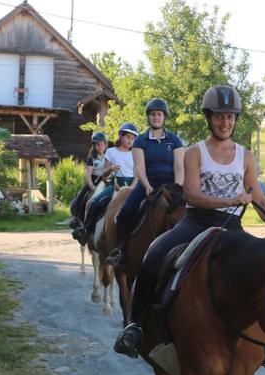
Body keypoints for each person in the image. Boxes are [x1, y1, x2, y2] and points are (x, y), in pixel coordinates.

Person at [113, 84, 265, 358]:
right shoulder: (195, 152)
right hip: (196, 222)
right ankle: (134, 326)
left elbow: (255, 195)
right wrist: (231, 201)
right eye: (219, 116)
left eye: (230, 116)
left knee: (263, 272)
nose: (225, 122)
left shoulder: (245, 156)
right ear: (209, 118)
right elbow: (192, 195)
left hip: (232, 227)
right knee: (154, 254)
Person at [107, 98, 185, 266]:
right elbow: (140, 168)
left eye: (159, 114)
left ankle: (189, 252)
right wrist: (147, 186)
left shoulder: (174, 140)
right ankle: (120, 251)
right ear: (148, 117)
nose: (156, 117)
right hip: (147, 185)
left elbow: (179, 166)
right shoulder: (140, 141)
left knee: (190, 213)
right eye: (152, 114)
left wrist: (178, 188)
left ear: (164, 117)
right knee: (124, 214)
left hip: (172, 186)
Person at [83, 122, 138, 236]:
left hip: (132, 186)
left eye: (133, 138)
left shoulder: (136, 153)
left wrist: (131, 187)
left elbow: (138, 174)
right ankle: (87, 232)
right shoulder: (111, 151)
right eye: (127, 137)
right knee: (93, 202)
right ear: (120, 135)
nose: (130, 141)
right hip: (114, 186)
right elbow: (104, 174)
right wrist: (111, 169)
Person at [71, 132, 108, 221]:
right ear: (94, 146)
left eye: (102, 144)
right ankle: (77, 216)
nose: (100, 147)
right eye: (98, 145)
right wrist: (92, 186)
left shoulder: (108, 156)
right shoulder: (91, 158)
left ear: (105, 145)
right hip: (93, 180)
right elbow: (88, 174)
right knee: (81, 195)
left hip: (105, 180)